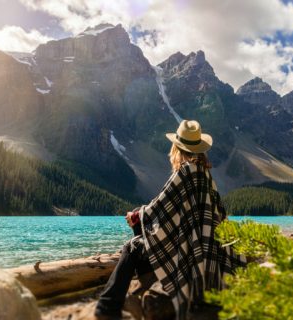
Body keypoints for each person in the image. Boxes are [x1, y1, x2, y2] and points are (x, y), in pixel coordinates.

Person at [94, 120, 246, 320]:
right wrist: (144, 214)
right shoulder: (205, 176)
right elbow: (212, 213)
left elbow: (159, 206)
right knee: (144, 234)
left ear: (177, 148)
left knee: (131, 247)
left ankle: (107, 309)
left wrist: (135, 216)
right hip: (204, 249)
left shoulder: (185, 171)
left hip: (187, 250)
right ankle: (146, 285)